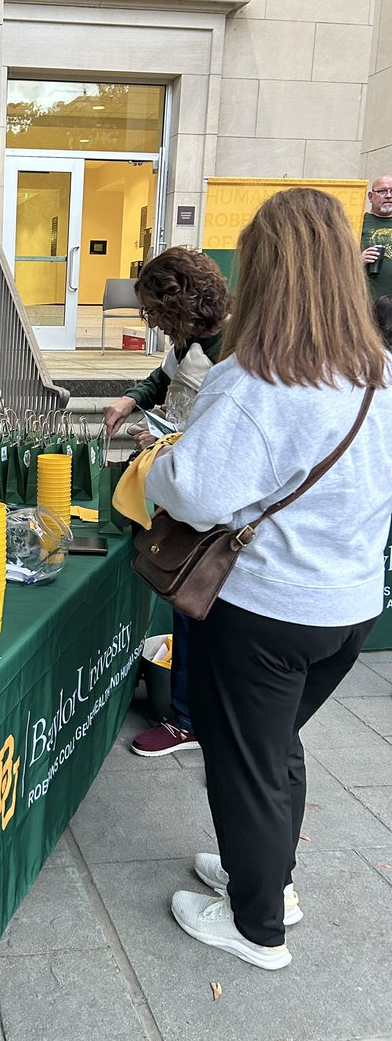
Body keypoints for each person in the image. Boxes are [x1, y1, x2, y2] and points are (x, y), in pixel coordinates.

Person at [143, 187, 392, 970]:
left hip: (266, 609)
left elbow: (195, 491)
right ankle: (267, 878)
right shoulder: (379, 372)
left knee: (244, 762)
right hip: (349, 606)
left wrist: (158, 466)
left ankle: (256, 926)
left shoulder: (258, 378)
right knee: (277, 748)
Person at [102, 247, 231, 758]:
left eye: (154, 311)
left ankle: (188, 719)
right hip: (188, 488)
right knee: (187, 603)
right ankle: (193, 711)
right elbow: (165, 378)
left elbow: (216, 435)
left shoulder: (233, 350)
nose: (150, 322)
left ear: (180, 302)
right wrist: (132, 399)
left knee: (195, 601)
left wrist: (165, 445)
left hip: (210, 504)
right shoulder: (191, 340)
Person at [359, 175, 392, 300]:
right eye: (382, 191)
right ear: (370, 196)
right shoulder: (358, 223)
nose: (388, 196)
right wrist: (359, 261)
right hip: (366, 301)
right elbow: (338, 263)